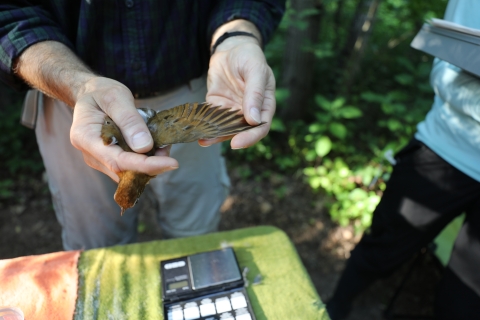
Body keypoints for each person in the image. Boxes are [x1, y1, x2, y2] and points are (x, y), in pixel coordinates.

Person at [0, 1, 285, 250]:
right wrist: (78, 85)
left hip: (199, 89)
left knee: (195, 236)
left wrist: (236, 36)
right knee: (96, 249)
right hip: (73, 100)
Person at [326, 1, 480, 319]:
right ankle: (335, 306)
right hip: (446, 151)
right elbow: (447, 76)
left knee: (468, 294)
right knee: (383, 247)